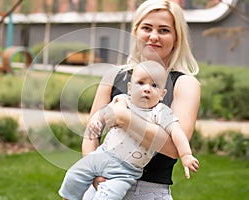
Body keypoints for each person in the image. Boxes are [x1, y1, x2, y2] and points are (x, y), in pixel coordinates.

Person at [82, 0, 201, 199]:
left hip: (146, 191)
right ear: (136, 31)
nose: (153, 36)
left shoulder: (185, 84)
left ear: (177, 39)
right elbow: (91, 133)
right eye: (146, 28)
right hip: (102, 185)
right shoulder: (114, 76)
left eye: (164, 30)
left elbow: (172, 149)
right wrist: (94, 174)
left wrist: (124, 117)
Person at [58, 61, 199, 200]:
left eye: (154, 85)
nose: (147, 88)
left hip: (126, 170)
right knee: (75, 174)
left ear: (162, 94)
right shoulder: (123, 100)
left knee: (109, 194)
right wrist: (96, 120)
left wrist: (186, 154)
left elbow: (177, 132)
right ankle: (70, 197)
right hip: (102, 155)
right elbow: (103, 112)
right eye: (141, 83)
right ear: (130, 88)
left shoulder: (161, 113)